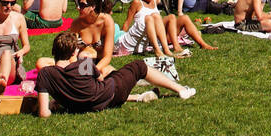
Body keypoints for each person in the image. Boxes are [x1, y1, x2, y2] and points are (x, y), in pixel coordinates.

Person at [36, 30, 195, 114]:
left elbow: (44, 112)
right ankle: (181, 89)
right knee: (138, 66)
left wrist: (59, 101)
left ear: (53, 51)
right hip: (110, 96)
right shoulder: (82, 64)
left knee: (113, 74)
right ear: (73, 53)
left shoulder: (46, 74)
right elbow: (99, 79)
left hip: (84, 106)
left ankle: (140, 96)